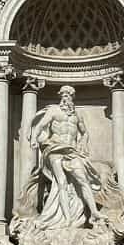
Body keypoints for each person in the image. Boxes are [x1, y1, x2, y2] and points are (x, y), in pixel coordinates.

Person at [29, 85, 104, 228]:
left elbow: (85, 132)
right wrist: (34, 139)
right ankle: (67, 218)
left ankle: (94, 212)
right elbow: (39, 126)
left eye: (68, 95)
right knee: (61, 183)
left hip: (71, 151)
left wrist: (84, 143)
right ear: (60, 97)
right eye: (63, 95)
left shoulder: (77, 115)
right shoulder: (53, 111)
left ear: (72, 97)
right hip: (55, 149)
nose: (65, 97)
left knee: (83, 180)